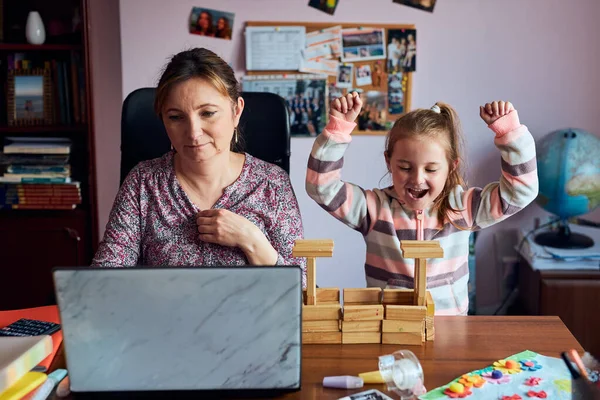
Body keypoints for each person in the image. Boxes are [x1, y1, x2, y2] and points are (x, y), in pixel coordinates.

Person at [306, 92, 538, 315]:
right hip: (387, 328)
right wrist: (337, 131)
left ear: (451, 166)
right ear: (389, 161)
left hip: (449, 331)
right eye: (405, 167)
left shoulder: (463, 208)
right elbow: (320, 187)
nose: (417, 179)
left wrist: (510, 134)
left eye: (431, 169)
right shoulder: (373, 209)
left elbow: (521, 191)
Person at [93, 48, 306, 286]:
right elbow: (105, 279)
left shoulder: (272, 184)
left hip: (251, 321)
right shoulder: (143, 182)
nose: (193, 133)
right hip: (166, 320)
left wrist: (252, 241)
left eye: (207, 113)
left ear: (236, 111)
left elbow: (303, 290)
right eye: (176, 117)